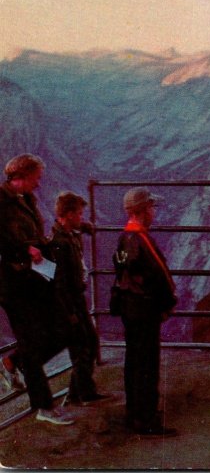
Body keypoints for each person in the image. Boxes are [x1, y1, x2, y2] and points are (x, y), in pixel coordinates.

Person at [0, 154, 74, 424]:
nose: (39, 184)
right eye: (36, 178)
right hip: (13, 283)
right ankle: (44, 407)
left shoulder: (25, 200)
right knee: (32, 341)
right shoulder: (1, 200)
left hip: (34, 276)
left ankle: (13, 362)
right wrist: (23, 250)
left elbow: (31, 234)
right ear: (23, 176)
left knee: (64, 329)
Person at [112, 187, 178, 437]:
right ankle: (147, 419)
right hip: (144, 308)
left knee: (134, 361)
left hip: (131, 307)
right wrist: (166, 303)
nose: (153, 212)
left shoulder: (124, 238)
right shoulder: (141, 239)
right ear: (141, 210)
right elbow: (157, 276)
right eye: (151, 207)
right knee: (147, 363)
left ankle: (134, 413)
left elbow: (119, 266)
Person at [50, 191, 111, 406]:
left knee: (87, 341)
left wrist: (82, 226)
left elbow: (75, 228)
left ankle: (77, 393)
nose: (81, 217)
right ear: (67, 215)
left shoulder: (68, 234)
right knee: (83, 343)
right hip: (71, 302)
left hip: (77, 298)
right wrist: (70, 313)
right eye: (78, 214)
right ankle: (84, 393)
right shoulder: (59, 243)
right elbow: (58, 283)